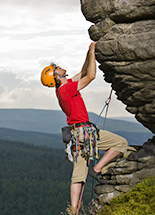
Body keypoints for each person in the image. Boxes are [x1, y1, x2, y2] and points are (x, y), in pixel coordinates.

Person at [41, 42, 128, 214]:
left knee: (78, 175)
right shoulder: (66, 89)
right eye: (55, 68)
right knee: (121, 143)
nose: (58, 67)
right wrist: (93, 52)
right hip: (85, 133)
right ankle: (97, 170)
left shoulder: (62, 88)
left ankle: (73, 211)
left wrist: (89, 53)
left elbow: (82, 72)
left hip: (76, 136)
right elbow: (90, 76)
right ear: (56, 77)